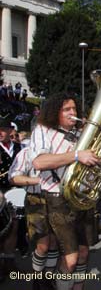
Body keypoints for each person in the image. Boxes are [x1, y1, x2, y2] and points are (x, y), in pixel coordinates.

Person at [30, 92, 100, 290]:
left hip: (82, 197)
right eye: (66, 109)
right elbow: (39, 161)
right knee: (71, 259)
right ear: (55, 112)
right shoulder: (43, 130)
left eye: (74, 109)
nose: (72, 113)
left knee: (84, 253)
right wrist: (77, 155)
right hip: (57, 197)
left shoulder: (81, 134)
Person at [8, 146, 59, 290]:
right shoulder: (26, 152)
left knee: (54, 242)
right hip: (36, 199)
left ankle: (48, 279)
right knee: (43, 244)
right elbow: (13, 177)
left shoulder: (59, 149)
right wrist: (38, 181)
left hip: (58, 201)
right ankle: (37, 279)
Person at [0, 117, 22, 281]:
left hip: (15, 189)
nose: (1, 133)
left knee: (13, 225)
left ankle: (9, 260)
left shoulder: (19, 147)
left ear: (10, 131)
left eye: (3, 129)